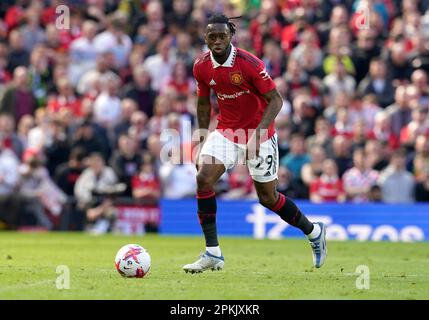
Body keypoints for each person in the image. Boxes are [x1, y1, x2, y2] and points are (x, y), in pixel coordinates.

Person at [183, 14, 327, 274]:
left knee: (268, 198)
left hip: (260, 133)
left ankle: (314, 231)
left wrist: (256, 137)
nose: (216, 41)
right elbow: (203, 103)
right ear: (205, 37)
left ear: (231, 35)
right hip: (226, 131)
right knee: (203, 178)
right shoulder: (201, 66)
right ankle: (213, 252)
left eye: (221, 36)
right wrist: (201, 140)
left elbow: (276, 100)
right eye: (211, 36)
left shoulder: (249, 64)